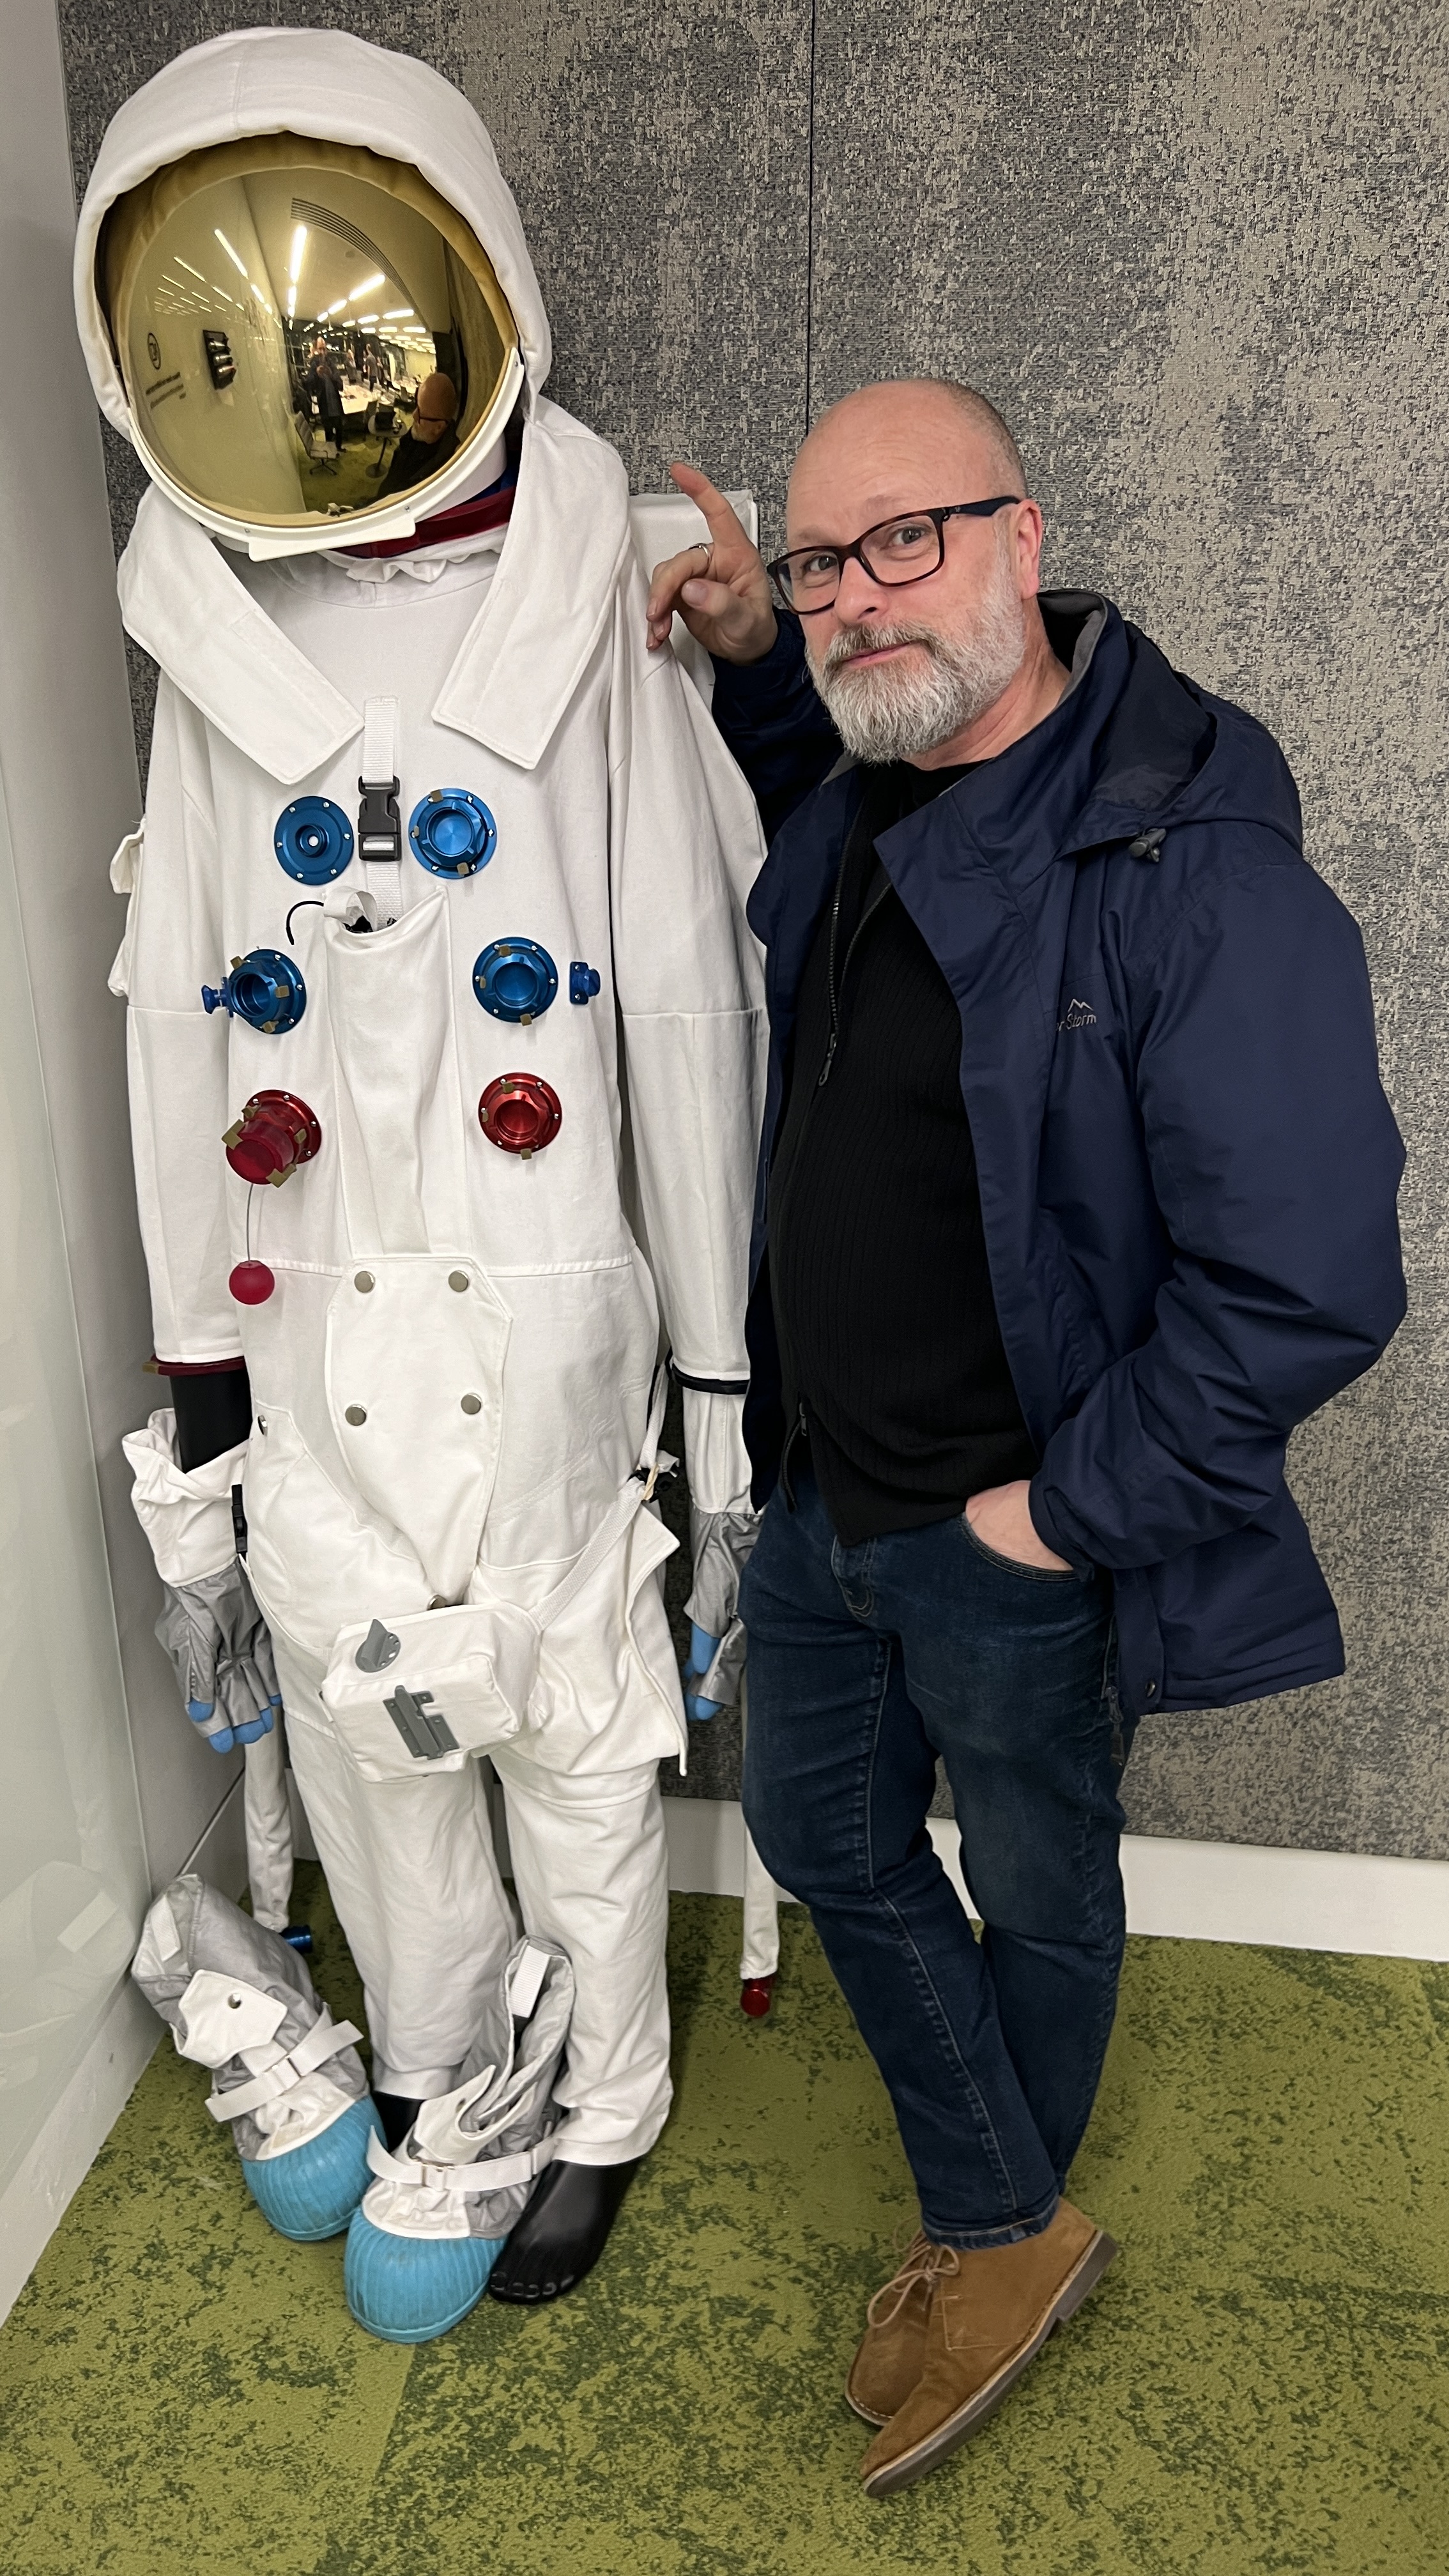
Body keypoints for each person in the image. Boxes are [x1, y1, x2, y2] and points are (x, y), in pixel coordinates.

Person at [647, 379, 1406, 2497]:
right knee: (822, 1834)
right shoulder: (884, 776)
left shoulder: (1190, 868)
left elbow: (1305, 1284)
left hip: (1012, 1525)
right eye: (822, 561)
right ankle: (1010, 2215)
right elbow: (843, 803)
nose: (855, 594)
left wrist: (1056, 1514)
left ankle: (985, 2236)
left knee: (1039, 1879)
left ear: (1021, 534)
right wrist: (754, 666)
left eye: (905, 538)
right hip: (824, 1474)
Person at [75, 27, 763, 2344]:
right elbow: (179, 1034)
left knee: (572, 1732)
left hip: (544, 1291)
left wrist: (723, 1410)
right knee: (376, 1746)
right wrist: (199, 1436)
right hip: (308, 1308)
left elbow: (684, 1011)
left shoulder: (591, 601)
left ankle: (609, 2099)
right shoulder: (206, 635)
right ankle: (441, 2076)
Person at [376, 369, 460, 495]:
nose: (414, 415)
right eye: (417, 407)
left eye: (421, 413)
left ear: (439, 427)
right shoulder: (422, 433)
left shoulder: (440, 472)